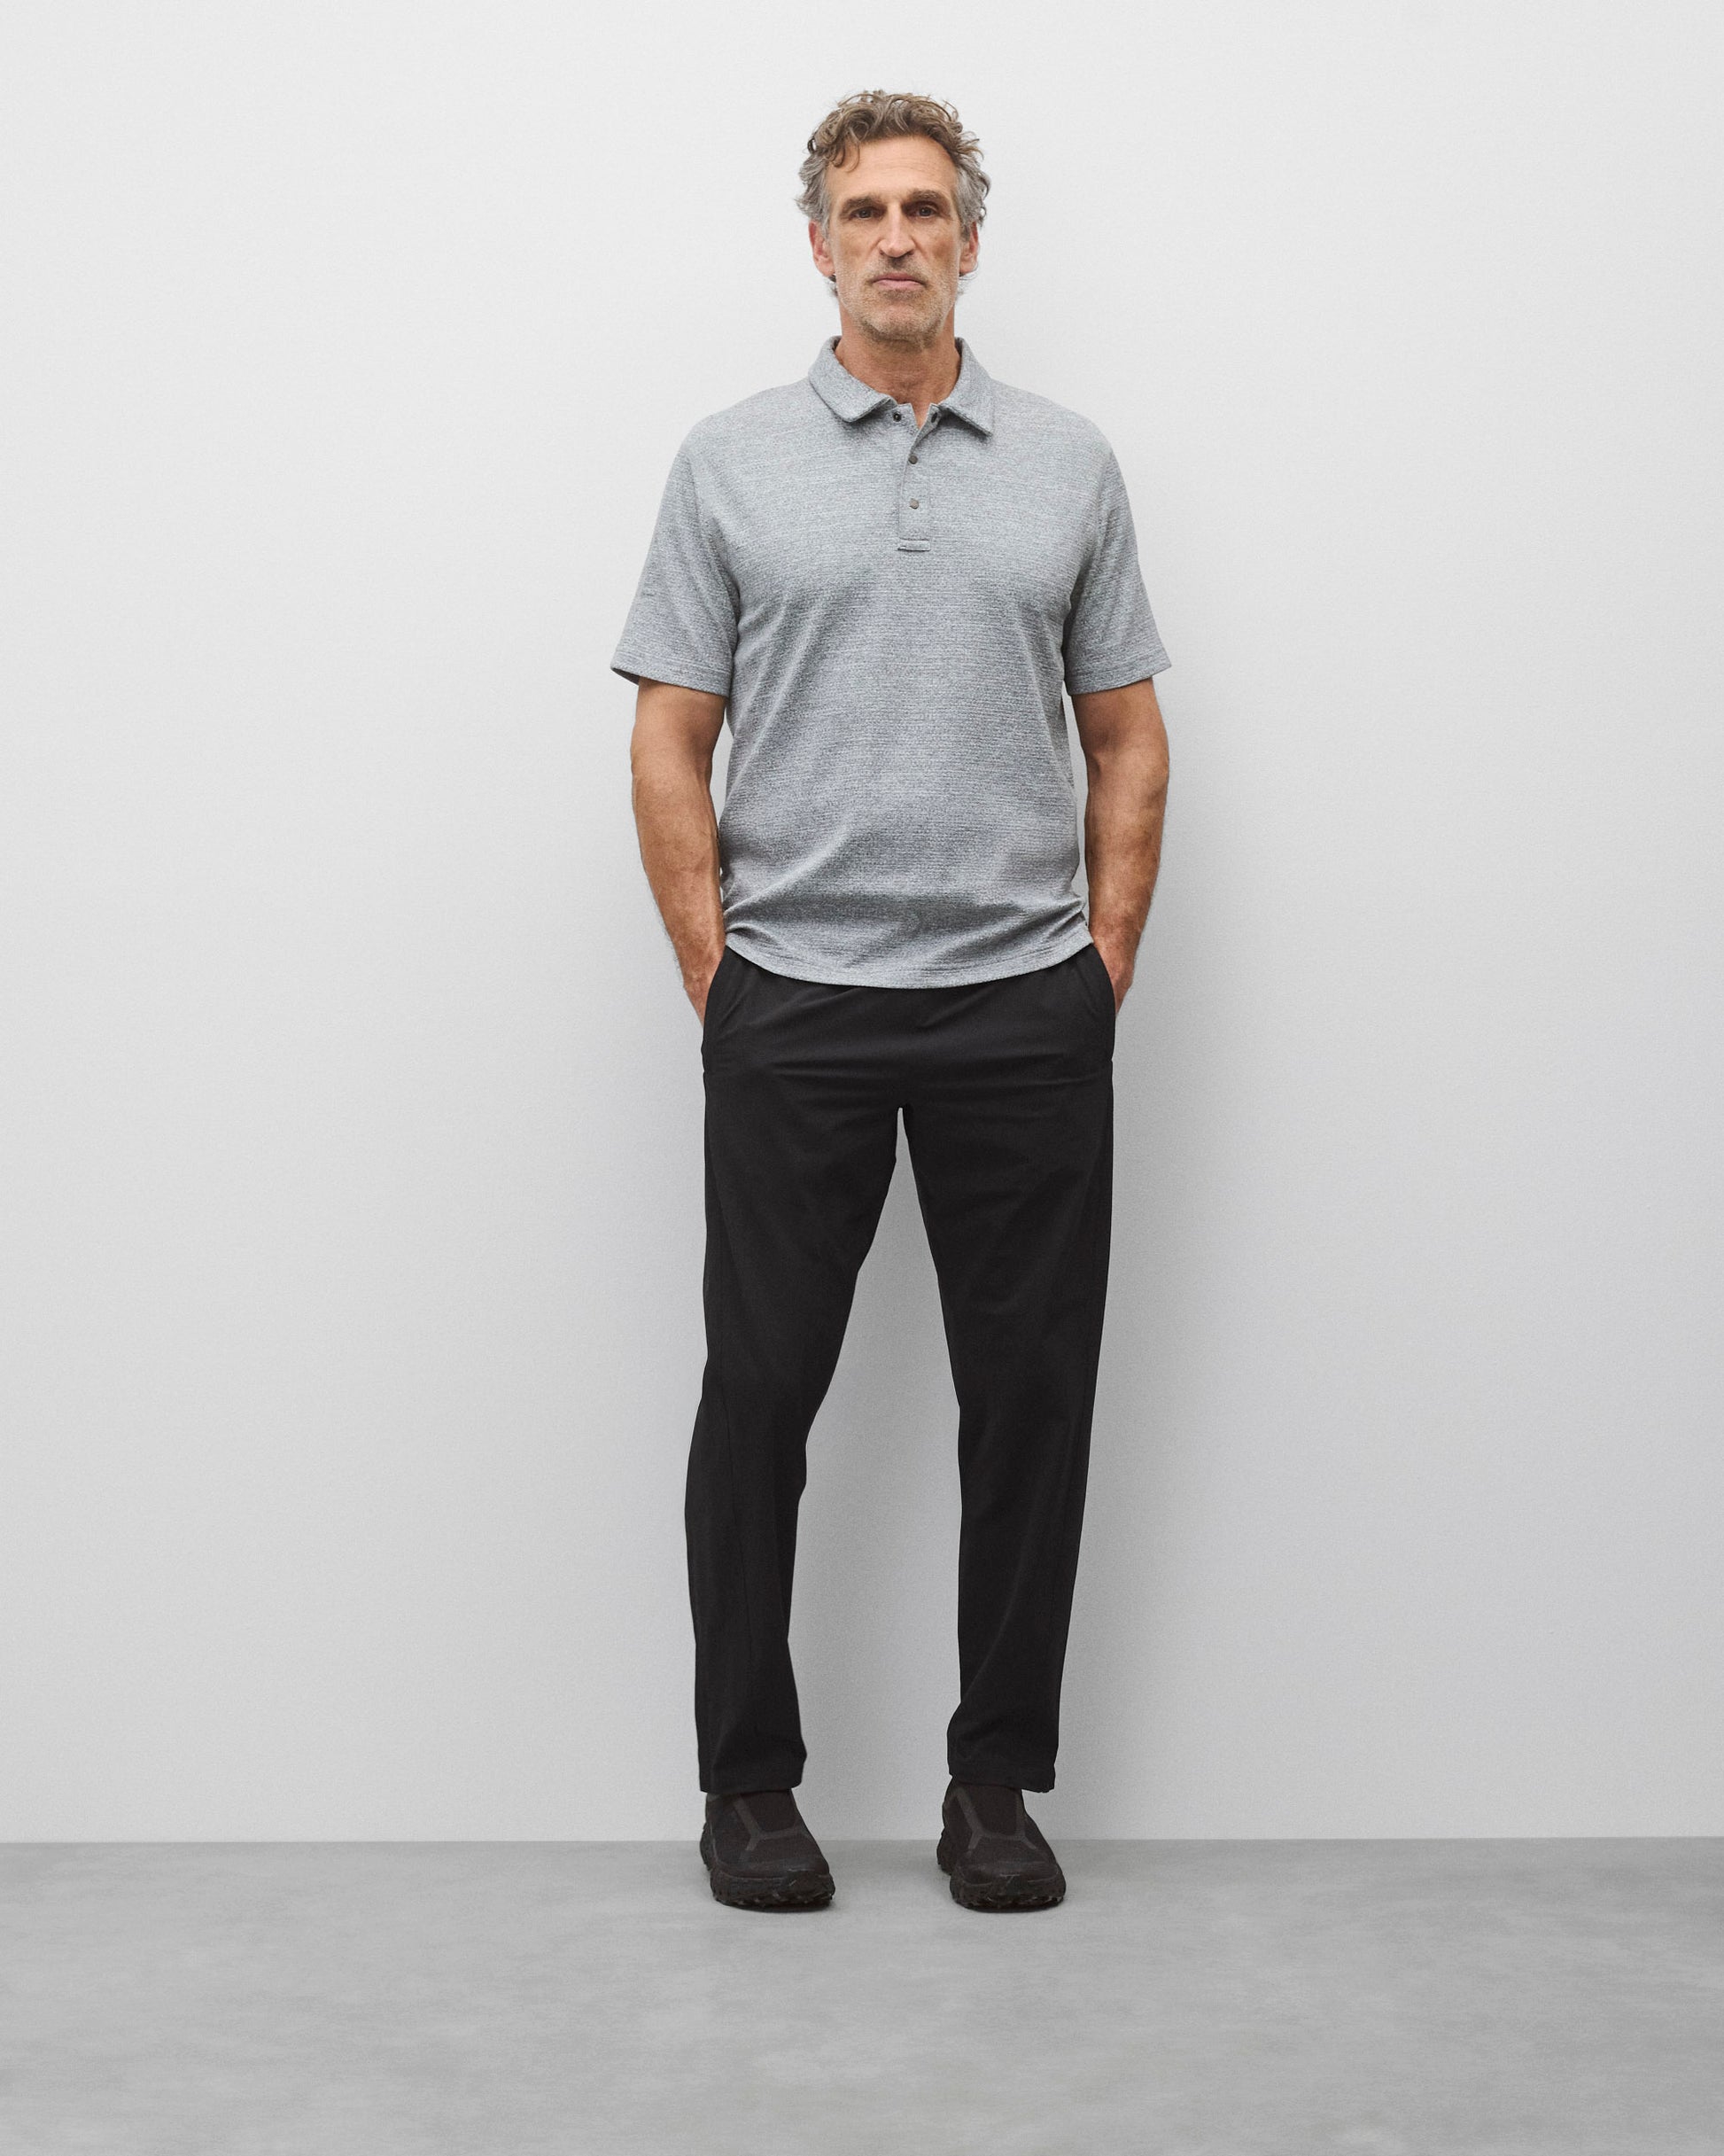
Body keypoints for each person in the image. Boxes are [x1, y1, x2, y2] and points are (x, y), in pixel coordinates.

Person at [612, 90, 1171, 1913]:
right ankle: (746, 1783)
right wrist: (720, 973)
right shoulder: (729, 462)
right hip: (799, 999)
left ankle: (993, 1783)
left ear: (971, 242)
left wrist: (1095, 968)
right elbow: (669, 740)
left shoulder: (1068, 464)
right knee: (759, 1396)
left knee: (1031, 1401)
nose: (898, 237)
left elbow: (1127, 737)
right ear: (819, 245)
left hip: (1021, 1003)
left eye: (927, 208)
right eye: (865, 211)